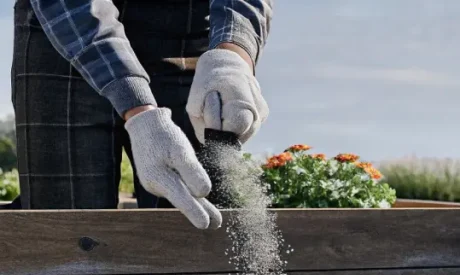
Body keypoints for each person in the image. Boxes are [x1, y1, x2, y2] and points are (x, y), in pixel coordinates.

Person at [6, 0, 272, 229]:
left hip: (186, 30)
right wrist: (139, 111)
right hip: (66, 37)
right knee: (68, 230)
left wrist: (233, 55)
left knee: (194, 224)